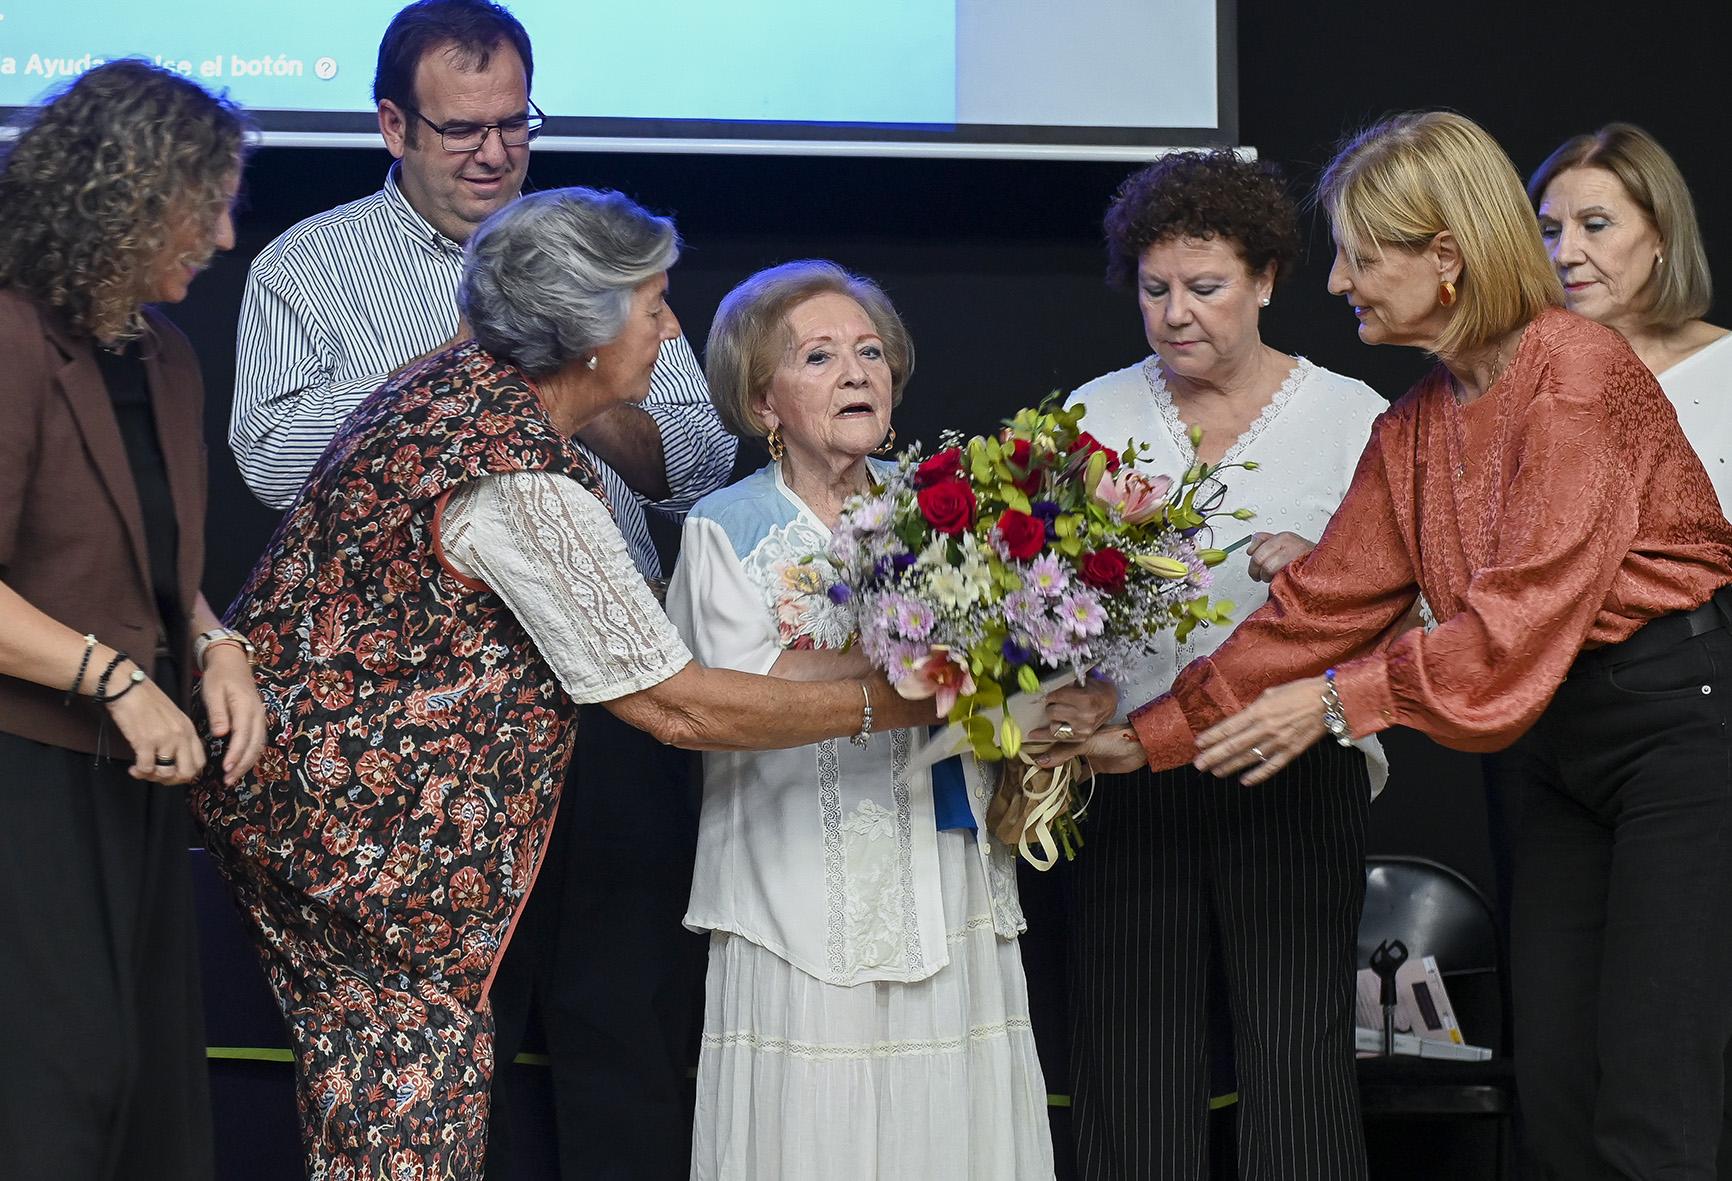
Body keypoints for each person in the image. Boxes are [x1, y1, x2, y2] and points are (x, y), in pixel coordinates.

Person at [192, 191, 955, 1179]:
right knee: (406, 1136)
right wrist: (905, 695)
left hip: (333, 828)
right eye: (652, 306)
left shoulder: (452, 385)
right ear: (586, 333)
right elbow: (675, 705)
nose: (671, 325)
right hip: (369, 851)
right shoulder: (518, 481)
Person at [1065, 110, 1732, 1181]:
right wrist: (1147, 738)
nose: (1337, 282)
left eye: (1361, 257)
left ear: (1446, 259)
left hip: (1675, 725)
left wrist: (1331, 704)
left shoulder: (1574, 372)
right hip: (1557, 749)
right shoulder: (1414, 424)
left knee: (1652, 1095)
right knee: (1554, 1088)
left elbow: (1508, 630)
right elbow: (1317, 608)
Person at [229, 4, 736, 1172]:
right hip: (424, 742)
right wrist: (468, 374)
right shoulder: (306, 265)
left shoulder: (596, 255)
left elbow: (702, 453)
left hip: (606, 699)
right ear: (392, 124)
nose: (494, 154)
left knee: (624, 1024)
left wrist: (578, 391)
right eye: (462, 130)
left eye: (516, 122)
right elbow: (266, 458)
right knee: (447, 1044)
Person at [667, 259, 1112, 1179]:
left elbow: (1009, 659)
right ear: (763, 403)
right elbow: (736, 686)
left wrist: (1057, 695)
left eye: (870, 352)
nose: (857, 371)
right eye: (820, 356)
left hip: (944, 871)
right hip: (795, 889)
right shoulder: (727, 526)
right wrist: (917, 666)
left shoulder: (956, 510)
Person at [1058, 149, 1387, 1181]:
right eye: (1154, 289)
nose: (1174, 313)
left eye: (1203, 287)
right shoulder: (1092, 415)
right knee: (1132, 1059)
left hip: (1290, 760)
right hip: (1126, 766)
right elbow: (1037, 604)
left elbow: (1414, 608)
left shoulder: (1353, 418)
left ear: (1266, 279)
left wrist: (1327, 572)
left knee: (1296, 1060)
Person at [0, 60, 265, 1179]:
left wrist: (215, 641)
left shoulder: (164, 355)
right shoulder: (10, 335)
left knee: (153, 1104)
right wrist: (115, 676)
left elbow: (151, 564)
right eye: (205, 201)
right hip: (27, 782)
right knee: (61, 1094)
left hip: (139, 780)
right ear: (124, 196)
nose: (222, 234)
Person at [1531, 124, 1730, 509]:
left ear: (1661, 235)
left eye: (1595, 225)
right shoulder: (1522, 372)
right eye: (1550, 230)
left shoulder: (1726, 365)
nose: (1564, 254)